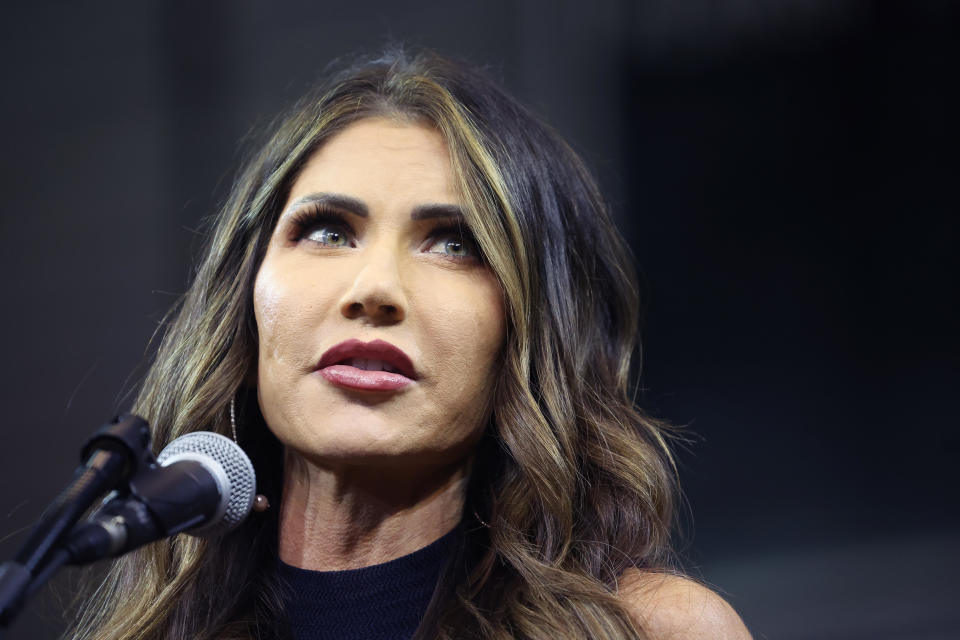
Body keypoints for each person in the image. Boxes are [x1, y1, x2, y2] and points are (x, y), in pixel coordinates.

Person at [69, 49, 751, 640]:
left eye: (455, 244)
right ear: (245, 300)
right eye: (328, 231)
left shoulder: (650, 630)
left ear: (531, 331)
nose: (376, 289)